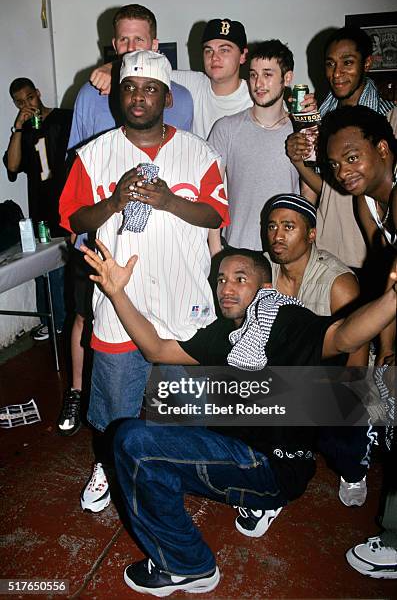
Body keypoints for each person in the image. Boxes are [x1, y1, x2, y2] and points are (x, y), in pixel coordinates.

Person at [80, 239, 397, 597]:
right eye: (220, 279)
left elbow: (341, 338)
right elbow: (156, 349)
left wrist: (393, 298)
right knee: (171, 397)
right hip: (241, 445)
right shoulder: (229, 333)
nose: (226, 288)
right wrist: (118, 293)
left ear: (264, 287)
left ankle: (186, 566)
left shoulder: (283, 319)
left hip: (271, 467)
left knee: (132, 441)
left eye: (239, 279)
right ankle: (227, 501)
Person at [59, 50, 229, 513]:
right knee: (116, 398)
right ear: (118, 95)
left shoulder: (199, 152)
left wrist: (170, 201)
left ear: (167, 97)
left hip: (182, 294)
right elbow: (73, 217)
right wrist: (113, 202)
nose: (139, 97)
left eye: (150, 88)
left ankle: (179, 468)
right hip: (119, 297)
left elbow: (216, 212)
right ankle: (109, 465)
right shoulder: (94, 154)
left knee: (183, 402)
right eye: (130, 88)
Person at [57, 3, 194, 437]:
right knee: (92, 318)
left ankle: (160, 434)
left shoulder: (182, 96)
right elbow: (77, 163)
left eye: (139, 40)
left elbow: (185, 163)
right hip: (104, 236)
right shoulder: (89, 93)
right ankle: (82, 395)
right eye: (123, 40)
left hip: (165, 241)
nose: (131, 47)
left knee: (162, 331)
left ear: (154, 44)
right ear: (113, 45)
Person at [320, 104, 397, 579]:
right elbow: (386, 275)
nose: (343, 172)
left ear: (383, 148)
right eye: (334, 165)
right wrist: (386, 351)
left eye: (351, 157)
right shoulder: (367, 202)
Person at [262, 193, 371, 507]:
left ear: (311, 234)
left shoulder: (339, 282)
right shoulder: (262, 268)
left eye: (288, 226)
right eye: (271, 226)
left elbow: (356, 358)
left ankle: (353, 470)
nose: (277, 235)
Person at [286, 25, 397, 271]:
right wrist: (298, 159)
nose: (337, 73)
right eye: (330, 64)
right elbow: (331, 191)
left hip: (374, 253)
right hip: (331, 251)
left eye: (347, 62)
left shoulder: (391, 117)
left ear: (366, 64)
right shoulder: (320, 121)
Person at [90, 16, 252, 140]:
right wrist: (111, 67)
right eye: (208, 50)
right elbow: (144, 71)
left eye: (224, 50)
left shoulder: (254, 97)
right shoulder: (193, 83)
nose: (214, 57)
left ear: (243, 56)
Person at [208, 40, 300, 252]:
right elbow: (210, 192)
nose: (258, 83)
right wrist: (216, 253)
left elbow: (308, 193)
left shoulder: (300, 131)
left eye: (267, 75)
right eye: (253, 75)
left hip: (285, 252)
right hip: (236, 247)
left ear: (286, 78)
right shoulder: (226, 128)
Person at [3, 78, 72, 340]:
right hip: (41, 210)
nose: (27, 104)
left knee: (66, 268)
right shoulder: (23, 132)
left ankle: (64, 321)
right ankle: (51, 320)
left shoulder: (64, 118)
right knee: (43, 269)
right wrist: (18, 128)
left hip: (68, 206)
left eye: (30, 98)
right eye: (20, 102)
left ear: (38, 93)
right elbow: (11, 167)